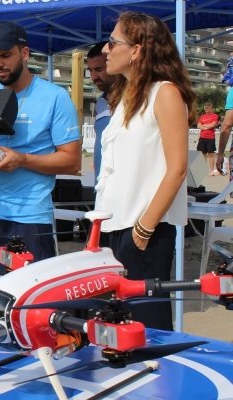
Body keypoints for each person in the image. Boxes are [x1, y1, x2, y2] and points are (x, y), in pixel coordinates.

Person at [0, 21, 81, 295]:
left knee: (28, 304)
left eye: (5, 55)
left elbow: (72, 162)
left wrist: (22, 160)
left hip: (29, 217)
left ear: (24, 54)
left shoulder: (54, 97)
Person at [94, 11, 195, 331]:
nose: (106, 51)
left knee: (147, 329)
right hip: (113, 228)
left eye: (112, 43)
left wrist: (143, 230)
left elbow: (178, 168)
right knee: (117, 327)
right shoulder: (124, 97)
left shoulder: (164, 93)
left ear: (136, 50)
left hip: (143, 232)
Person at [86, 41, 114, 182]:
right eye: (90, 70)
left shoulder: (135, 102)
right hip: (101, 191)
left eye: (99, 69)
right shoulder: (100, 103)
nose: (94, 77)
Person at [196, 102, 220, 175]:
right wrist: (205, 126)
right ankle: (202, 170)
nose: (207, 110)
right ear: (204, 109)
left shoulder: (215, 116)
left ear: (211, 109)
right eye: (206, 108)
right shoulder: (202, 116)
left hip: (210, 138)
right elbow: (198, 125)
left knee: (210, 154)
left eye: (209, 108)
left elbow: (212, 125)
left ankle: (211, 171)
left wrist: (203, 126)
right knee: (202, 154)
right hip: (202, 138)